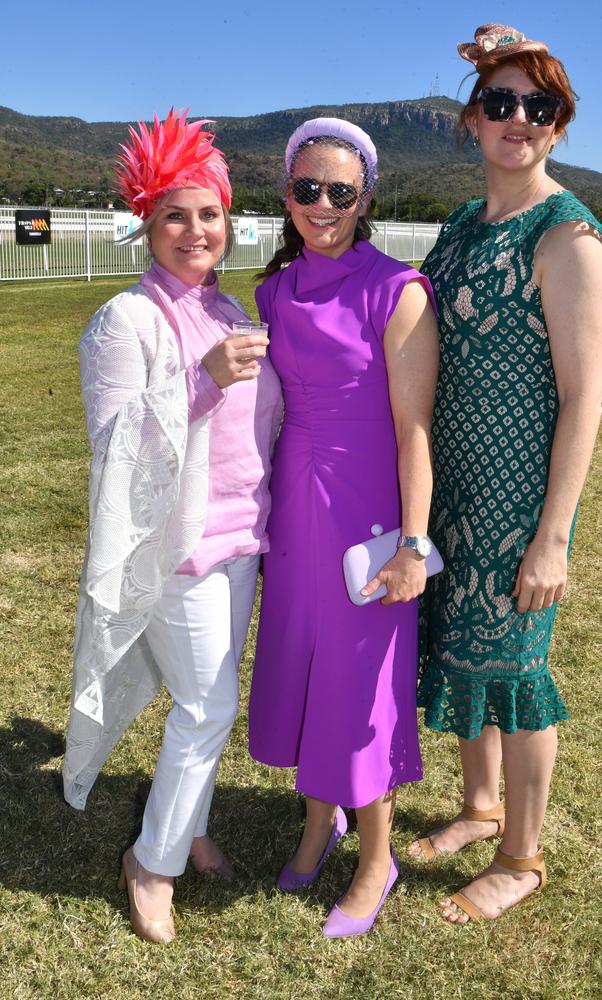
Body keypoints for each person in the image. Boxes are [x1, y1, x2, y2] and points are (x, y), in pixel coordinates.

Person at [62, 110, 283, 943]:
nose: (196, 230)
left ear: (229, 221)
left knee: (207, 698)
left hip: (240, 541)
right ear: (147, 225)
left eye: (210, 213)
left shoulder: (230, 309)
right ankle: (151, 861)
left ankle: (185, 827)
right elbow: (115, 444)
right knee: (207, 706)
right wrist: (199, 382)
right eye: (175, 215)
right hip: (178, 546)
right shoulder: (128, 320)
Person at [409, 24, 602, 923]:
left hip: (518, 500)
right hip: (450, 489)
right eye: (500, 102)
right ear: (472, 121)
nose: (518, 118)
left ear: (559, 126)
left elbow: (584, 398)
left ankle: (521, 857)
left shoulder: (566, 234)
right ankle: (481, 809)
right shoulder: (459, 225)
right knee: (466, 657)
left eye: (540, 105)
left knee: (518, 673)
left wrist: (553, 535)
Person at [248, 118, 439, 938]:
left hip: (367, 512)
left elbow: (414, 432)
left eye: (340, 191)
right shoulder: (273, 292)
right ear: (287, 193)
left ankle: (376, 859)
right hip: (295, 507)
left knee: (361, 687)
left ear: (365, 197)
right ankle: (318, 823)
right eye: (306, 189)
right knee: (304, 667)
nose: (321, 205)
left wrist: (413, 543)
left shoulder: (397, 290)